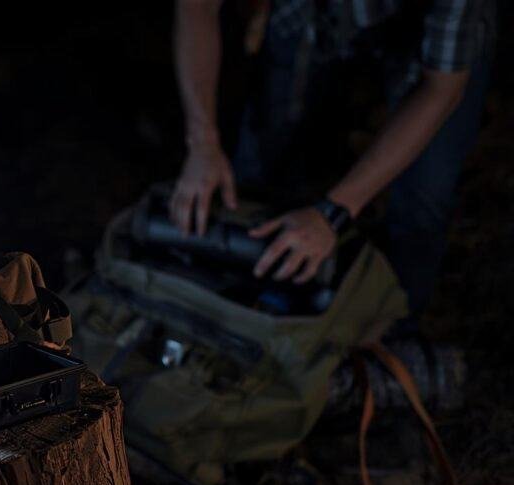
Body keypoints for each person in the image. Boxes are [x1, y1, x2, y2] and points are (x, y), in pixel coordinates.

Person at [170, 0, 495, 316]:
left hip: (429, 42)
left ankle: (394, 335)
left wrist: (334, 211)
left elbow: (441, 89)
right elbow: (197, 6)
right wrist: (202, 144)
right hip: (309, 16)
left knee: (424, 198)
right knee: (264, 153)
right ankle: (245, 300)